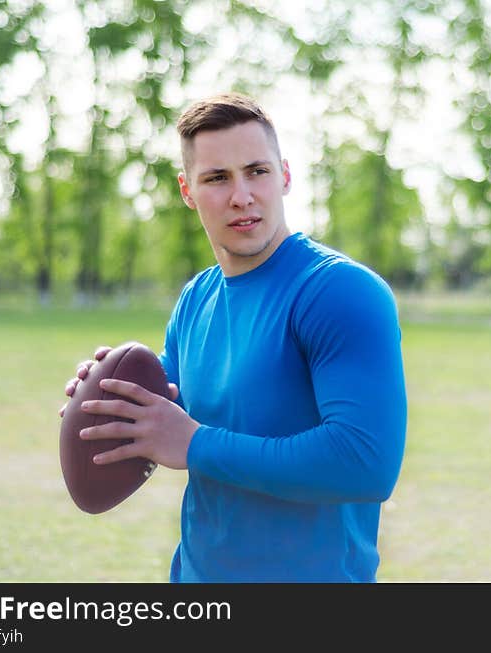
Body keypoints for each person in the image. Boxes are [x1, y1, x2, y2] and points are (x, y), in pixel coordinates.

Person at [60, 92, 408, 582]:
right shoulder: (196, 299)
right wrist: (113, 400)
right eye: (217, 178)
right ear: (187, 190)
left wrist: (196, 445)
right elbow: (166, 416)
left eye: (257, 171)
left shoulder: (340, 291)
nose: (242, 195)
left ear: (284, 176)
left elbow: (365, 463)